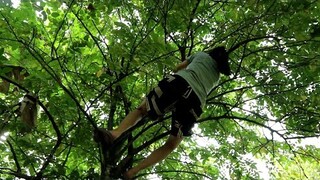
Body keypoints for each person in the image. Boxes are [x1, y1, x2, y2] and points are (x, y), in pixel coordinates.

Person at [94, 46, 231, 179]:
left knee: (142, 109)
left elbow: (178, 67)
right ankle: (133, 172)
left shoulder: (201, 55)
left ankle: (114, 134)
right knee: (171, 144)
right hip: (194, 104)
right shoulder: (216, 77)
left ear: (211, 52)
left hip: (177, 83)